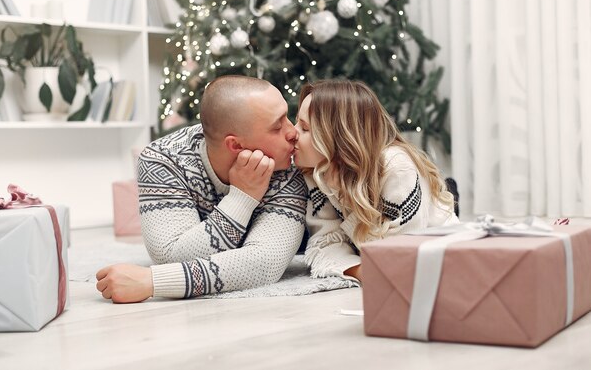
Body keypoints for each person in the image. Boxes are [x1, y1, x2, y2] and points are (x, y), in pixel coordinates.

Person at [96, 75, 307, 302]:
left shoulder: (290, 162)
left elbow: (266, 263)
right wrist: (243, 197)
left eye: (288, 116)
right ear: (235, 145)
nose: (293, 132)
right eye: (277, 126)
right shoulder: (163, 159)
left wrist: (153, 281)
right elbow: (170, 258)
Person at [293, 79, 459, 283]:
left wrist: (347, 200)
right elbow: (322, 246)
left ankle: (442, 196)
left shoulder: (397, 168)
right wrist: (362, 271)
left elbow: (397, 260)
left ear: (337, 137)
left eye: (304, 128)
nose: (292, 133)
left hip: (437, 252)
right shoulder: (318, 172)